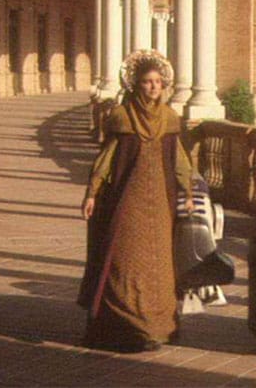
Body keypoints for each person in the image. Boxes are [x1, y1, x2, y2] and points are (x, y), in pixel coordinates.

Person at [78, 50, 194, 352]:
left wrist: (189, 192)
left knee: (160, 267)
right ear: (135, 85)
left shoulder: (170, 118)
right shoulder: (122, 116)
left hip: (162, 204)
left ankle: (156, 328)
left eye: (157, 81)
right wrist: (92, 193)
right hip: (128, 204)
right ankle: (126, 328)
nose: (153, 87)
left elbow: (180, 160)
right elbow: (106, 159)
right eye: (147, 82)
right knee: (126, 265)